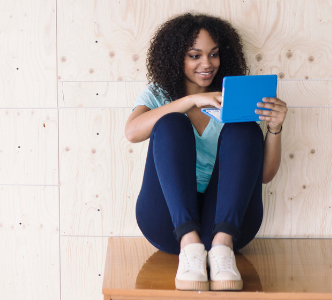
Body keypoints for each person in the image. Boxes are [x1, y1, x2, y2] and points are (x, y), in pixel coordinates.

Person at [124, 13, 287, 291]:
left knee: (244, 128)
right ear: (177, 57)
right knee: (170, 123)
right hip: (168, 224)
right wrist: (189, 101)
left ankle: (221, 251)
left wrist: (275, 128)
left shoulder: (235, 98)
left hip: (228, 227)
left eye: (213, 54)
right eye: (194, 55)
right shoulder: (158, 94)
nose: (206, 64)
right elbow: (133, 132)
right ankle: (190, 247)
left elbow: (264, 175)